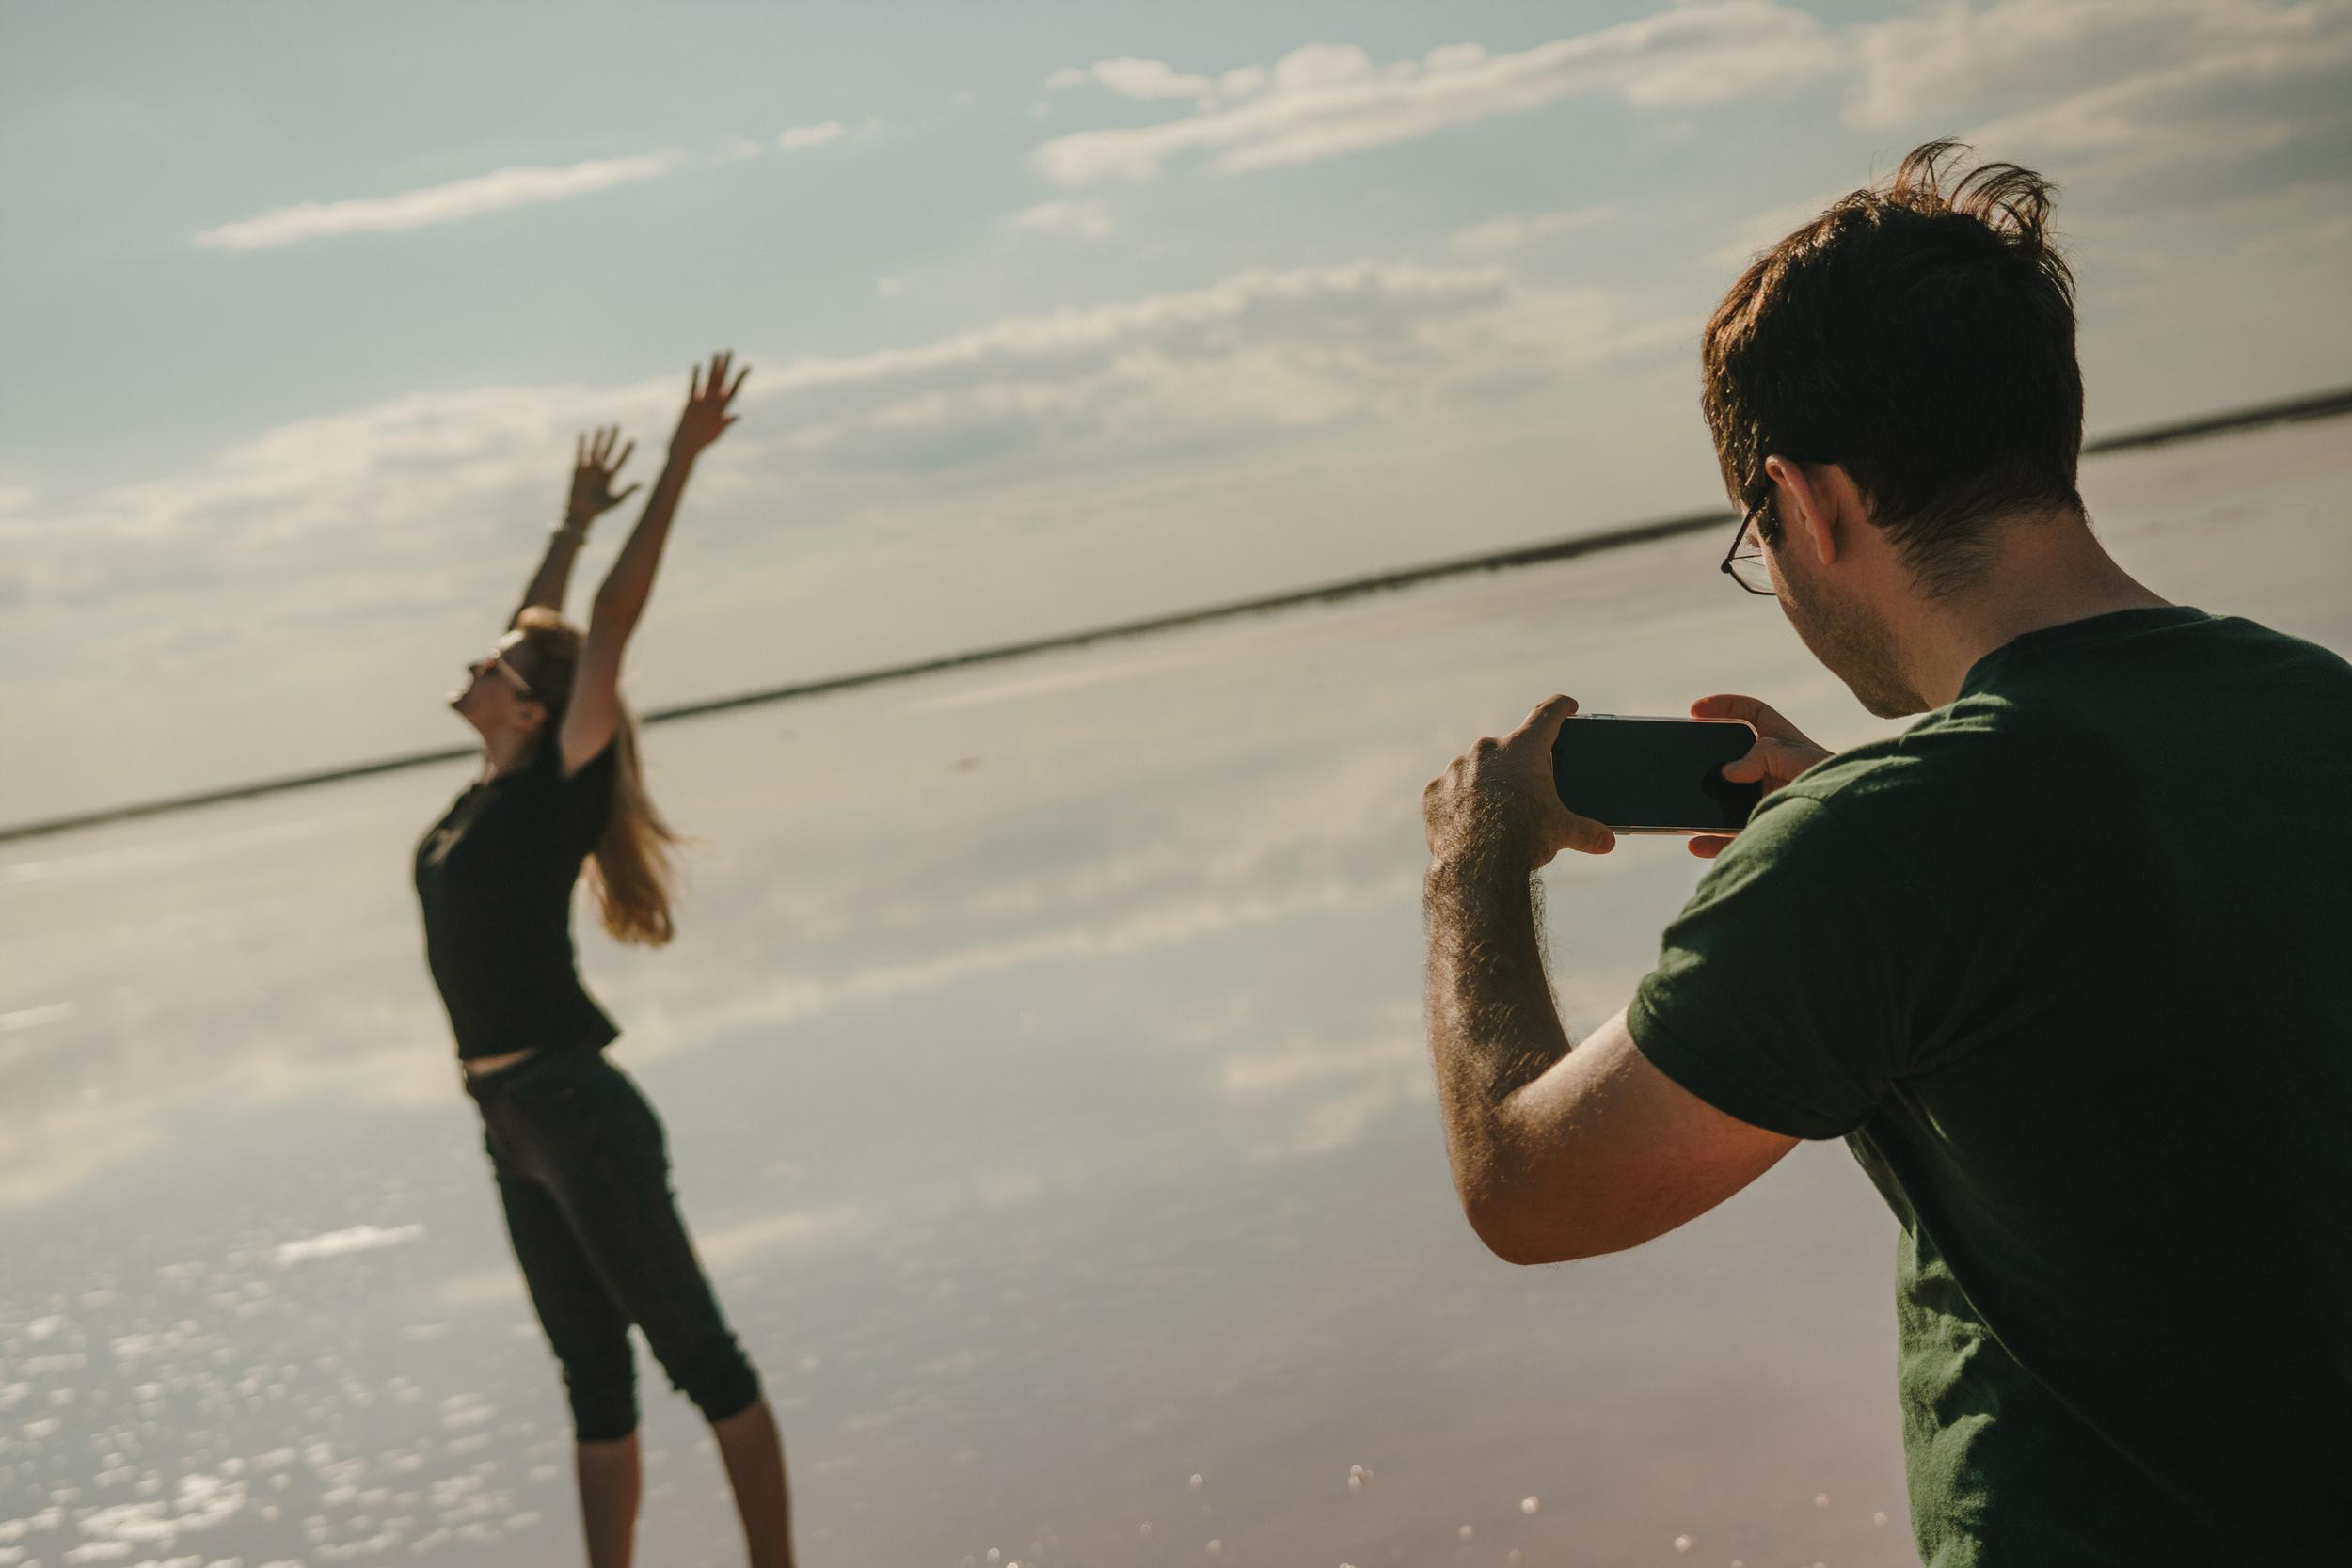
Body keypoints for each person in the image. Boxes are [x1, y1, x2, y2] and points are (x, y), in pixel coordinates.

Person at [1418, 141, 2351, 1563]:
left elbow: (1531, 1188)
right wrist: (1860, 810)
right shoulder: (2314, 700)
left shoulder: (1883, 845)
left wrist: (1470, 872)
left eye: (1758, 539)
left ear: (1805, 504)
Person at [414, 353, 796, 1568]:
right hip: (510, 1120)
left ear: (531, 709)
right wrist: (568, 525)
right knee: (591, 1382)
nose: (475, 669)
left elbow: (604, 631)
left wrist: (679, 464)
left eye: (493, 671)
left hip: (576, 1110)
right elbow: (537, 635)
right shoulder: (491, 793)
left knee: (702, 1363)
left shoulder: (556, 788)